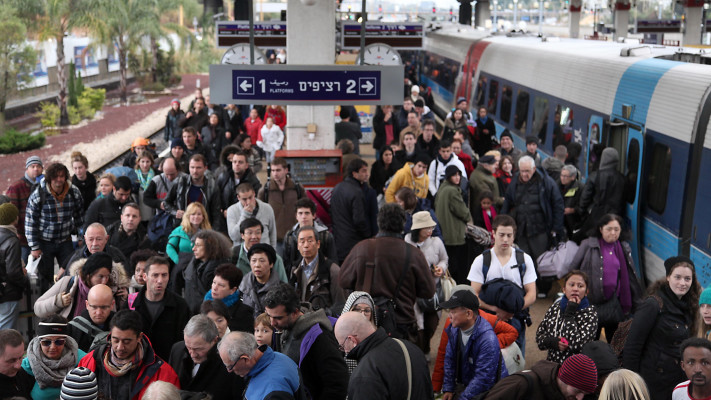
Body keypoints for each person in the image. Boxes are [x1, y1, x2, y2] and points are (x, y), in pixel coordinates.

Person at [339, 203, 436, 339]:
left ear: (379, 222)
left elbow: (343, 280)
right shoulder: (414, 254)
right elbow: (429, 291)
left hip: (366, 324)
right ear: (403, 225)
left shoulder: (362, 248)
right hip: (402, 325)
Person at [623, 256, 701, 400]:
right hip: (651, 382)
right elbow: (632, 346)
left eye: (687, 279)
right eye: (677, 277)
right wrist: (632, 384)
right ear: (668, 277)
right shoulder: (653, 304)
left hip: (675, 381)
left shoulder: (691, 306)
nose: (682, 283)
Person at [264, 283, 349, 400]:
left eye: (278, 318)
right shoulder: (281, 329)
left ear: (295, 312)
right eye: (269, 316)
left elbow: (338, 382)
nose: (272, 323)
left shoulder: (319, 337)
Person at [468, 215, 537, 353]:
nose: (505, 239)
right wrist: (495, 310)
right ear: (493, 233)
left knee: (516, 363)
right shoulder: (481, 260)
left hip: (516, 318)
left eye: (509, 235)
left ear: (514, 236)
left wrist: (511, 311)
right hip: (488, 320)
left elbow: (532, 294)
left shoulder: (524, 259)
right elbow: (473, 294)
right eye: (501, 235)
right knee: (487, 360)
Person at [569, 214, 642, 340]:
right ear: (601, 229)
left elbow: (629, 276)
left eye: (616, 229)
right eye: (609, 229)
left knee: (615, 346)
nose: (613, 233)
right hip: (591, 305)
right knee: (590, 344)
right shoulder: (588, 245)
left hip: (614, 305)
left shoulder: (623, 247)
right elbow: (573, 270)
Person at [78, 309, 180, 399]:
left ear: (139, 337)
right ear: (110, 335)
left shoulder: (162, 373)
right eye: (115, 340)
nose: (120, 347)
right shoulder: (90, 361)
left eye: (127, 342)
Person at [501, 155, 565, 297]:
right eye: (522, 171)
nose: (524, 174)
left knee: (541, 260)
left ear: (534, 169)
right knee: (523, 260)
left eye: (527, 171)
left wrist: (556, 227)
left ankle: (542, 288)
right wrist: (502, 222)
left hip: (541, 229)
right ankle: (526, 289)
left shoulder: (546, 182)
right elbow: (508, 202)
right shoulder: (515, 182)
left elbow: (558, 204)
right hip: (522, 228)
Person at [335, 311, 434, 400]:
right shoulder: (411, 348)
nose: (345, 351)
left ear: (352, 340)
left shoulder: (363, 375)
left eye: (342, 346)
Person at [25, 162, 84, 293]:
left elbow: (80, 218)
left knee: (70, 272)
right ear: (49, 178)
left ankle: (68, 300)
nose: (59, 180)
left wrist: (81, 237)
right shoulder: (39, 194)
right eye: (55, 177)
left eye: (62, 176)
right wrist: (34, 247)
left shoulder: (74, 192)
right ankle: (47, 305)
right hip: (44, 242)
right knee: (45, 277)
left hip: (66, 240)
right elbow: (30, 223)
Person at [440, 289, 505, 400]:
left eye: (453, 311)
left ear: (469, 314)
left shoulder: (487, 339)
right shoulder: (454, 330)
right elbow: (449, 361)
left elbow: (483, 378)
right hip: (468, 386)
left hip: (488, 391)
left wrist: (462, 398)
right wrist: (448, 388)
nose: (449, 316)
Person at [168, 315, 245, 400]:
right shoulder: (177, 350)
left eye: (198, 349)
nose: (193, 354)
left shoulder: (230, 361)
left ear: (214, 340)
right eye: (188, 347)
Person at [35, 252, 129, 320]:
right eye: (100, 276)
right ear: (89, 275)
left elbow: (120, 321)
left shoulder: (114, 289)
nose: (104, 281)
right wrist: (58, 301)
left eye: (107, 276)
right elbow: (38, 308)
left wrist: (124, 300)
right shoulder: (68, 283)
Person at [130, 256, 190, 362]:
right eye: (155, 275)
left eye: (164, 275)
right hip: (139, 365)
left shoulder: (180, 305)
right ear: (145, 277)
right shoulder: (132, 304)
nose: (160, 280)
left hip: (169, 365)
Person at [405, 211, 447, 354]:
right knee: (418, 324)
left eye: (431, 228)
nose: (430, 231)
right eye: (426, 228)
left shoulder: (437, 242)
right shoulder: (407, 241)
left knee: (432, 321)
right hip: (413, 290)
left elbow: (444, 259)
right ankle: (420, 352)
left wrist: (440, 269)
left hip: (433, 288)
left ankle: (426, 346)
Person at [536, 270, 598, 363]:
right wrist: (553, 342)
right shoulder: (555, 307)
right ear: (564, 289)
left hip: (575, 368)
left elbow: (579, 346)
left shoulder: (590, 314)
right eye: (571, 285)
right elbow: (539, 338)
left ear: (586, 292)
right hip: (552, 366)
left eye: (580, 286)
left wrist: (569, 315)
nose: (575, 289)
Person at [217, 331, 300, 400]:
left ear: (245, 359)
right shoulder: (279, 356)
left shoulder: (273, 392)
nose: (229, 371)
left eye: (230, 366)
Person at [22, 317, 86, 400]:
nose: (52, 347)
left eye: (59, 342)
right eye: (46, 342)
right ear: (39, 342)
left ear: (65, 342)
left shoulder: (81, 360)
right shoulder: (27, 366)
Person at [481, 353, 597, 400]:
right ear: (564, 378)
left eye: (585, 394)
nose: (580, 398)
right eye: (578, 390)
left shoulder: (564, 394)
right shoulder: (520, 383)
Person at [289, 226, 345, 314]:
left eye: (310, 241)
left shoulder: (332, 270)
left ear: (318, 244)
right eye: (302, 241)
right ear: (297, 246)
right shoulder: (295, 269)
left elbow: (340, 305)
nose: (306, 245)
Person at [576, 147, 626, 242]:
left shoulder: (595, 176)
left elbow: (585, 198)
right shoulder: (622, 179)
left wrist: (582, 213)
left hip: (596, 217)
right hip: (615, 218)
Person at [257, 157, 306, 254]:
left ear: (286, 170)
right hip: (275, 239)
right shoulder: (266, 190)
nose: (275, 173)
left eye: (278, 170)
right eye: (273, 170)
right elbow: (259, 213)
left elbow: (306, 207)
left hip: (296, 237)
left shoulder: (296, 187)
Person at [164, 154, 223, 232]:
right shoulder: (180, 182)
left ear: (205, 168)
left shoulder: (212, 185)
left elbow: (216, 213)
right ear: (189, 168)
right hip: (183, 226)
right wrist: (175, 212)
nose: (195, 171)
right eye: (192, 167)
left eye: (198, 168)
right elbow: (166, 203)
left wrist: (214, 232)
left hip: (204, 227)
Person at [330, 159, 374, 263]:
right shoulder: (357, 192)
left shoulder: (337, 187)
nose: (367, 174)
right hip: (353, 242)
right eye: (363, 171)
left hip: (338, 240)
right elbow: (359, 220)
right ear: (354, 173)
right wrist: (368, 235)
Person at [435, 166, 473, 284]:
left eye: (458, 175)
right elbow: (463, 212)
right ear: (448, 176)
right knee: (458, 266)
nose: (457, 178)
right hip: (454, 234)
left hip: (444, 232)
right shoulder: (452, 191)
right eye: (454, 175)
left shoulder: (442, 188)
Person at [282, 198, 338, 273]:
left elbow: (333, 261)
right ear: (296, 216)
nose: (303, 216)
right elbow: (286, 264)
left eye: (307, 213)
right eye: (300, 213)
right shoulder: (289, 236)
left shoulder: (325, 236)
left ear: (314, 215)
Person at [183, 230, 232, 314]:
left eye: (198, 245)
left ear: (210, 246)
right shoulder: (192, 265)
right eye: (194, 245)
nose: (194, 248)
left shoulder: (223, 269)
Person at [7, 155, 44, 262]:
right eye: (32, 166)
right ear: (27, 169)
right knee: (23, 268)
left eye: (38, 166)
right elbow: (11, 214)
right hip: (23, 239)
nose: (36, 169)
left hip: (43, 238)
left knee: (43, 272)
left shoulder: (46, 185)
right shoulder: (16, 187)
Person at [60, 222, 128, 278]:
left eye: (99, 239)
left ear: (106, 239)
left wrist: (125, 291)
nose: (95, 244)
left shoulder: (116, 256)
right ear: (85, 240)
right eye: (91, 239)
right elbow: (67, 284)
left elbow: (127, 278)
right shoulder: (77, 258)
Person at [203, 264, 255, 333]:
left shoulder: (243, 314)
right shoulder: (205, 304)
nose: (215, 288)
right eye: (214, 282)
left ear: (233, 290)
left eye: (221, 285)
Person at [233, 218, 288, 282]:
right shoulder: (233, 255)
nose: (254, 237)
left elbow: (284, 285)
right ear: (242, 235)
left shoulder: (273, 258)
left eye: (258, 232)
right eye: (249, 233)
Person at [0, 203, 27, 330]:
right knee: (6, 333)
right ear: (14, 218)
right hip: (7, 293)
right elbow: (13, 272)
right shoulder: (12, 240)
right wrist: (24, 281)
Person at [66, 284, 116, 352]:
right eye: (94, 307)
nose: (98, 312)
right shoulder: (73, 328)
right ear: (87, 305)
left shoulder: (119, 327)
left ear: (112, 305)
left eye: (104, 307)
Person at [227, 183, 277, 247]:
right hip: (243, 253)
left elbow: (272, 234)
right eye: (244, 199)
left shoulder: (267, 208)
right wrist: (245, 214)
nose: (248, 202)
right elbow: (234, 237)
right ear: (238, 197)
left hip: (264, 251)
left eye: (250, 198)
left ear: (254, 193)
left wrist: (272, 253)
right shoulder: (232, 210)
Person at [239, 243, 283, 316]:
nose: (257, 265)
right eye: (253, 260)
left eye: (262, 261)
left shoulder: (280, 289)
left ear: (271, 264)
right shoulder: (242, 287)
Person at [142, 157, 186, 221]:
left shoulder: (185, 179)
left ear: (178, 170)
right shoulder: (157, 180)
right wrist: (159, 204)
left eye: (172, 174)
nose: (169, 178)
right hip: (163, 217)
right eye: (167, 174)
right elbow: (146, 198)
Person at [558, 165, 583, 238]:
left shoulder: (580, 188)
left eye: (565, 176)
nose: (562, 178)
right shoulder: (557, 185)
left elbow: (584, 205)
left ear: (573, 177)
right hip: (560, 221)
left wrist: (573, 210)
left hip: (573, 222)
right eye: (561, 175)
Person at [134, 151, 156, 223]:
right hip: (139, 202)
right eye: (142, 162)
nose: (145, 165)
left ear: (151, 162)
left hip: (150, 204)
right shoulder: (134, 174)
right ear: (138, 162)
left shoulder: (155, 174)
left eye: (147, 162)